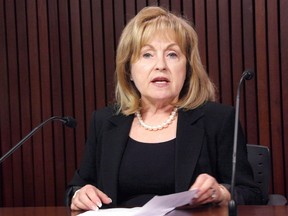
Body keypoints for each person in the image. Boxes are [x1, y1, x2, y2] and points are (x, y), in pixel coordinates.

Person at [65, 6, 263, 211]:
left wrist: (220, 192)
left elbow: (252, 194)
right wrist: (80, 194)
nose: (160, 65)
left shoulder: (218, 120)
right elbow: (77, 186)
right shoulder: (105, 122)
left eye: (172, 54)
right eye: (147, 55)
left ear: (187, 68)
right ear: (129, 70)